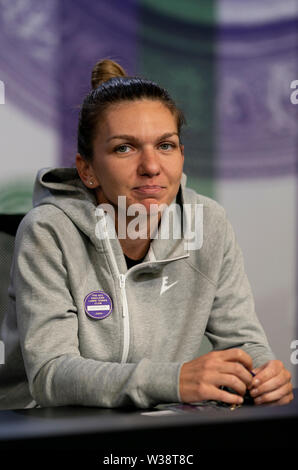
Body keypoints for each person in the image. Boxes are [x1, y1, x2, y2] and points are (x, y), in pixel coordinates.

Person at [0, 59, 293, 410]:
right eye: (124, 148)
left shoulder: (208, 223)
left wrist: (262, 374)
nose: (151, 167)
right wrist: (174, 381)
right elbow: (51, 376)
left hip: (156, 420)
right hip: (44, 426)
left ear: (181, 155)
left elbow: (243, 342)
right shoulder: (48, 230)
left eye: (165, 145)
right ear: (87, 169)